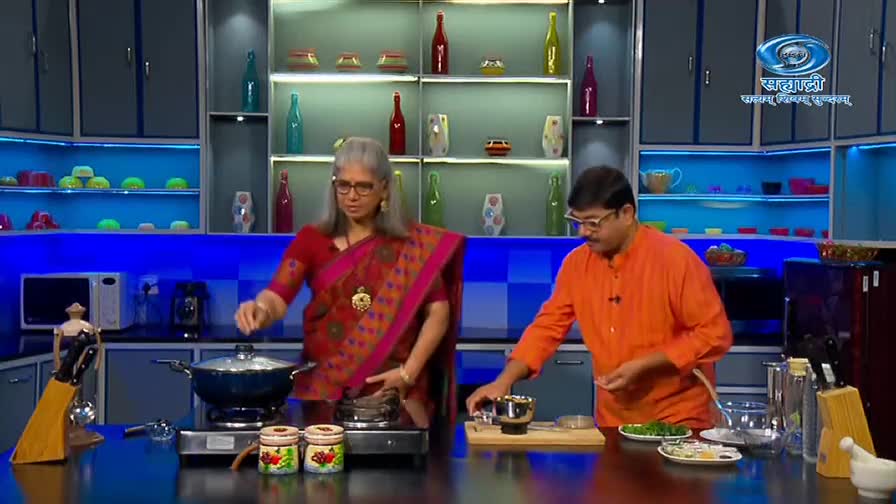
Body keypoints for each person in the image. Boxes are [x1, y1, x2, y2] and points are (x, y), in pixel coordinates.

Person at [466, 166, 733, 429]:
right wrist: (504, 381)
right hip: (614, 423)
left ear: (626, 213)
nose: (583, 232)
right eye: (577, 222)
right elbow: (547, 328)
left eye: (593, 223)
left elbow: (714, 334)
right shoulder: (576, 265)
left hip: (679, 420)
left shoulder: (676, 261)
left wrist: (647, 365)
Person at [235, 137, 465, 424]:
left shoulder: (410, 246)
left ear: (384, 188)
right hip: (323, 392)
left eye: (363, 186)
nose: (351, 196)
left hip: (393, 392)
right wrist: (260, 308)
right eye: (343, 185)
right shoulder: (312, 240)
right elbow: (278, 296)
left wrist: (409, 373)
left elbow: (438, 312)